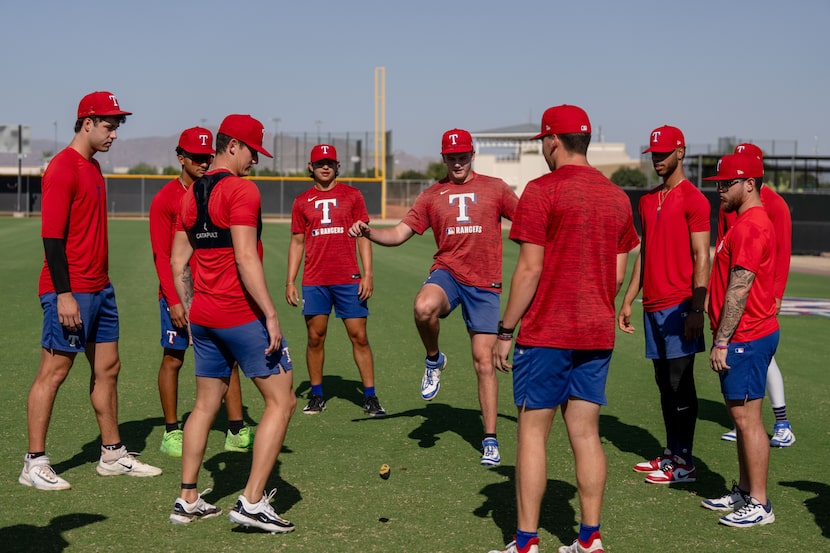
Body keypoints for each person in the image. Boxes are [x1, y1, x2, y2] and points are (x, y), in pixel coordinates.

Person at [489, 104, 640, 553]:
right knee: (586, 432)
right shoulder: (617, 197)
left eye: (544, 142)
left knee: (533, 432)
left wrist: (504, 329)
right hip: (596, 331)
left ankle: (525, 543)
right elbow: (617, 274)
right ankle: (589, 538)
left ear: (553, 140)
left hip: (547, 331)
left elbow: (529, 270)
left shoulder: (542, 190)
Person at [349, 128, 518, 466]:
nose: (458, 162)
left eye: (463, 155)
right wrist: (370, 232)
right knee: (423, 307)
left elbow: (529, 220)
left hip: (485, 283)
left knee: (484, 364)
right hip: (448, 273)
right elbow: (399, 234)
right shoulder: (431, 195)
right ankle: (433, 359)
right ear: (443, 158)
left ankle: (489, 439)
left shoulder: (496, 188)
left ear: (472, 155)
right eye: (451, 157)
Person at [20, 91, 162, 491]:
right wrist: (64, 294)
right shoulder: (64, 167)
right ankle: (33, 462)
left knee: (108, 369)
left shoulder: (93, 168)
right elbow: (51, 238)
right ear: (86, 122)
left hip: (101, 287)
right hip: (69, 290)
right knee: (55, 370)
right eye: (108, 124)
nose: (114, 132)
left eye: (117, 125)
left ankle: (113, 454)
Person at [168, 114, 296, 532]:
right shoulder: (242, 190)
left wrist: (189, 310)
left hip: (203, 316)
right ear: (234, 146)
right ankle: (252, 502)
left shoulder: (188, 196)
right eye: (253, 152)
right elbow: (245, 256)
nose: (255, 162)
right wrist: (271, 314)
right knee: (283, 401)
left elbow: (177, 261)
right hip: (240, 315)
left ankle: (187, 498)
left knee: (205, 405)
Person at [149, 126, 253, 457]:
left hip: (214, 293)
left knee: (229, 359)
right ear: (181, 158)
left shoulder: (216, 190)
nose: (204, 163)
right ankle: (171, 431)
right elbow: (163, 256)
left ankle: (236, 428)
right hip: (178, 294)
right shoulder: (166, 198)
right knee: (174, 358)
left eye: (208, 157)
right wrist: (175, 301)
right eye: (196, 158)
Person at [618, 125, 710, 484]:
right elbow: (645, 253)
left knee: (680, 383)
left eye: (663, 153)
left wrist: (697, 308)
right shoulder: (646, 200)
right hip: (652, 305)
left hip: (680, 306)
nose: (657, 159)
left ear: (681, 152)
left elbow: (703, 256)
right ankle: (671, 453)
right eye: (653, 154)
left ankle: (684, 460)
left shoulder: (694, 199)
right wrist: (628, 298)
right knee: (662, 383)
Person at [700, 153, 779, 527]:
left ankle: (760, 503)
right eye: (719, 182)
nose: (720, 188)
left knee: (748, 420)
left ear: (750, 183)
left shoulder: (750, 225)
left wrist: (722, 340)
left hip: (747, 334)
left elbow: (740, 287)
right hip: (746, 333)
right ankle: (747, 492)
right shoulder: (745, 221)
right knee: (741, 416)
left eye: (727, 182)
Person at [286, 144, 385, 417]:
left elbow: (363, 235)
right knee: (315, 337)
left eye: (329, 163)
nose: (325, 167)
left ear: (337, 165)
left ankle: (370, 396)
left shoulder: (352, 196)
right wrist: (290, 281)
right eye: (320, 163)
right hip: (315, 279)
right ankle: (317, 395)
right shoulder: (301, 201)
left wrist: (368, 274)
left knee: (359, 337)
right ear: (311, 167)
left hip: (348, 278)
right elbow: (296, 242)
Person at [718, 143, 795, 447]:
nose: (724, 186)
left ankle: (782, 421)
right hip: (740, 293)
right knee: (754, 375)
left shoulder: (772, 206)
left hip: (756, 301)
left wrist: (777, 293)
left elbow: (782, 251)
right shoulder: (731, 200)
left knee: (763, 359)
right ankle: (757, 424)